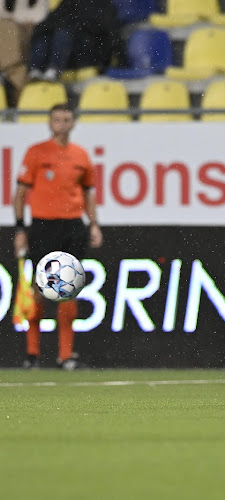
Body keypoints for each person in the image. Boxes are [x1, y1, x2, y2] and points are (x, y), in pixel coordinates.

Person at [13, 102, 103, 370]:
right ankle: (32, 353)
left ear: (73, 123)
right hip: (43, 226)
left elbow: (88, 193)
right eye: (57, 120)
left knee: (70, 289)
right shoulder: (36, 153)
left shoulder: (81, 156)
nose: (61, 124)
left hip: (73, 225)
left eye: (66, 119)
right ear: (49, 123)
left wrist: (94, 224)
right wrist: (20, 228)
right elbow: (20, 194)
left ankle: (65, 356)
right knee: (40, 289)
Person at [27, 0, 122, 82]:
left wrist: (118, 59)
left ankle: (54, 70)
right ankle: (36, 70)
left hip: (89, 53)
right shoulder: (69, 2)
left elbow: (111, 32)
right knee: (44, 33)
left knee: (64, 32)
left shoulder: (102, 4)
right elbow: (51, 20)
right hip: (71, 54)